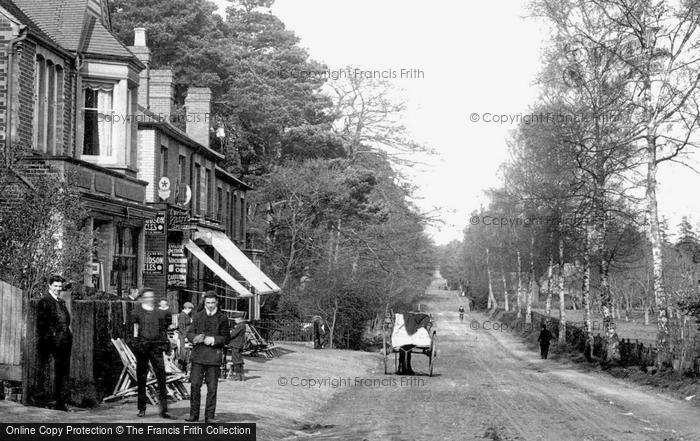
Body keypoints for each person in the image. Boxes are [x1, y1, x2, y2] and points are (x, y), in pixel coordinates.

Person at [186, 291, 231, 423]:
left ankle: (209, 416)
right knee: (194, 385)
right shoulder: (197, 316)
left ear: (217, 302)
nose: (210, 305)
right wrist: (195, 338)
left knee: (212, 388)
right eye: (207, 303)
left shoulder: (222, 318)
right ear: (204, 302)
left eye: (212, 303)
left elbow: (227, 338)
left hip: (213, 357)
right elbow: (189, 333)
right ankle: (193, 415)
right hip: (198, 357)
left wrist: (214, 340)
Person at [131, 288, 174, 419]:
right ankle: (142, 408)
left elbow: (164, 329)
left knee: (161, 377)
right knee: (141, 378)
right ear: (143, 298)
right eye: (147, 297)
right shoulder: (136, 312)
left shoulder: (159, 313)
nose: (150, 299)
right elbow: (133, 331)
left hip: (156, 347)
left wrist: (164, 344)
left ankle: (164, 409)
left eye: (152, 296)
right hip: (143, 347)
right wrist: (137, 344)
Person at [36, 275, 72, 411]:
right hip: (52, 344)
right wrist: (54, 337)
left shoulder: (61, 302)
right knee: (52, 372)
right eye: (55, 286)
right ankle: (49, 400)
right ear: (50, 286)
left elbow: (66, 321)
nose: (58, 288)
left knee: (63, 372)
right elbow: (43, 325)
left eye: (59, 286)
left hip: (64, 342)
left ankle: (60, 401)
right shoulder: (44, 301)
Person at [177, 302, 194, 376]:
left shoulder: (186, 315)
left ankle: (185, 372)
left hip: (186, 336)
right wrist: (185, 337)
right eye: (190, 309)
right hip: (183, 337)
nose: (191, 310)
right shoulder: (182, 315)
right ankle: (180, 371)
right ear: (187, 308)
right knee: (183, 355)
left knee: (187, 355)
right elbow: (181, 327)